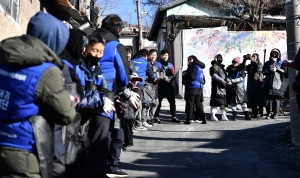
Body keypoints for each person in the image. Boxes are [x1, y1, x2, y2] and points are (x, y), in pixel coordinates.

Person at [0, 11, 76, 178]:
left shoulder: (3, 59)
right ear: (54, 40)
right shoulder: (47, 71)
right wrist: (69, 100)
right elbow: (66, 115)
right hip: (25, 151)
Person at [91, 14, 139, 178]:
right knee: (116, 131)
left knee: (95, 134)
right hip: (112, 96)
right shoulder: (116, 46)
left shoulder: (91, 39)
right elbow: (123, 75)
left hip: (89, 94)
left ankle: (99, 166)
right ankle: (112, 166)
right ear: (118, 29)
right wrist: (125, 91)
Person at [131, 49, 157, 128]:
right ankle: (136, 124)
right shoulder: (145, 63)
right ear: (146, 56)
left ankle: (135, 123)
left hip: (129, 84)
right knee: (139, 104)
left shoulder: (131, 61)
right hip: (139, 85)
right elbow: (153, 77)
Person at [154, 49, 181, 123]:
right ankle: (156, 116)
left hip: (169, 85)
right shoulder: (157, 64)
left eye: (166, 55)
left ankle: (174, 116)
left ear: (168, 56)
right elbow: (155, 73)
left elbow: (173, 74)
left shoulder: (170, 65)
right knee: (158, 102)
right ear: (161, 56)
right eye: (163, 55)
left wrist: (171, 79)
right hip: (160, 85)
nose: (164, 56)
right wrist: (161, 78)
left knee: (172, 102)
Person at [262, 48, 288, 119]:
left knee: (276, 99)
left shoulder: (281, 63)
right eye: (273, 53)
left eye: (276, 54)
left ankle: (275, 113)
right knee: (268, 99)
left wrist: (277, 69)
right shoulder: (267, 63)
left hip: (277, 83)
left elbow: (285, 71)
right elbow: (263, 71)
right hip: (268, 83)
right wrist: (267, 70)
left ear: (278, 55)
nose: (274, 55)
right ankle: (268, 113)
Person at [183, 55, 207, 124]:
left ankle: (188, 119)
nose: (189, 61)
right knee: (198, 104)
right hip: (199, 87)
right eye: (188, 59)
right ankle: (203, 118)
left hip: (193, 86)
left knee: (190, 103)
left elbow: (192, 76)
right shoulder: (199, 67)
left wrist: (185, 75)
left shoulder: (193, 67)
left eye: (191, 59)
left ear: (194, 59)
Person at [209, 54, 229, 121]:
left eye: (221, 58)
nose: (220, 59)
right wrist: (222, 80)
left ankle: (223, 115)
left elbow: (226, 76)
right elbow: (214, 75)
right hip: (216, 88)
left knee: (223, 103)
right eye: (218, 58)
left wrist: (228, 80)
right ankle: (213, 115)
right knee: (215, 102)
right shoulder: (213, 67)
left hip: (223, 88)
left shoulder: (222, 67)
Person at [245, 53, 264, 118]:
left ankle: (261, 112)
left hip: (257, 83)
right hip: (251, 83)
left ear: (257, 58)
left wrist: (252, 61)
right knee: (252, 98)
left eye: (254, 56)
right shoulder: (250, 65)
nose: (252, 57)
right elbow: (243, 68)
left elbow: (258, 69)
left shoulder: (259, 64)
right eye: (252, 56)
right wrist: (244, 60)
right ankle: (254, 112)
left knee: (258, 98)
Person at [147, 49, 160, 124]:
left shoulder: (156, 64)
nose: (153, 56)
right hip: (148, 85)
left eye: (155, 55)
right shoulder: (147, 63)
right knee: (149, 102)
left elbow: (161, 72)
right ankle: (147, 118)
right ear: (149, 55)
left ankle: (151, 117)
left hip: (155, 85)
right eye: (152, 54)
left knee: (156, 102)